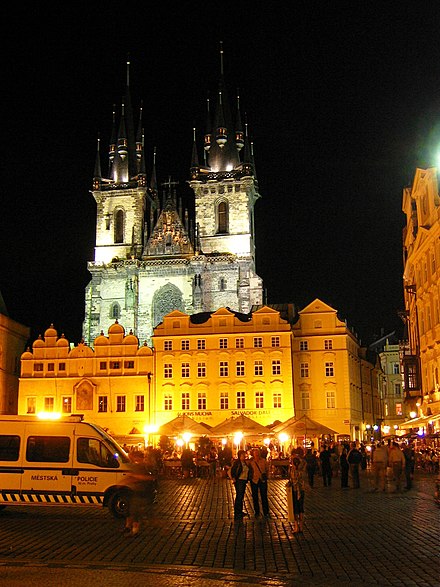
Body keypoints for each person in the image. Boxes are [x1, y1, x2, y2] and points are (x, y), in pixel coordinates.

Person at [120, 450, 157, 537]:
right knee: (131, 510)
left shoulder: (145, 466)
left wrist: (134, 478)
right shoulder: (137, 466)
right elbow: (132, 476)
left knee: (135, 511)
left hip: (142, 491)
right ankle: (128, 527)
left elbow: (149, 477)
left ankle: (135, 530)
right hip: (136, 490)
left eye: (133, 457)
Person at [229, 449, 251, 521]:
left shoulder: (244, 462)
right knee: (239, 496)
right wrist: (234, 478)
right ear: (239, 456)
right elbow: (232, 471)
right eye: (242, 455)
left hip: (244, 480)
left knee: (241, 496)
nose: (244, 456)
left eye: (244, 455)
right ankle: (237, 511)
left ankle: (240, 511)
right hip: (239, 480)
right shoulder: (237, 463)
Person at [248, 447, 270, 518]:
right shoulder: (251, 462)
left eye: (258, 453)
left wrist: (266, 476)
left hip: (262, 480)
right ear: (253, 455)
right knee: (255, 496)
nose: (257, 455)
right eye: (255, 454)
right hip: (254, 480)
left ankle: (265, 511)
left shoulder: (263, 461)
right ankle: (256, 511)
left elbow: (267, 469)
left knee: (264, 496)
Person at [288, 456, 305, 533]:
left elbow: (292, 480)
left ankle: (296, 526)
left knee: (295, 508)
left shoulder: (292, 470)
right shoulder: (302, 470)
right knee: (301, 507)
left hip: (295, 490)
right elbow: (305, 462)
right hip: (301, 490)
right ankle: (301, 526)